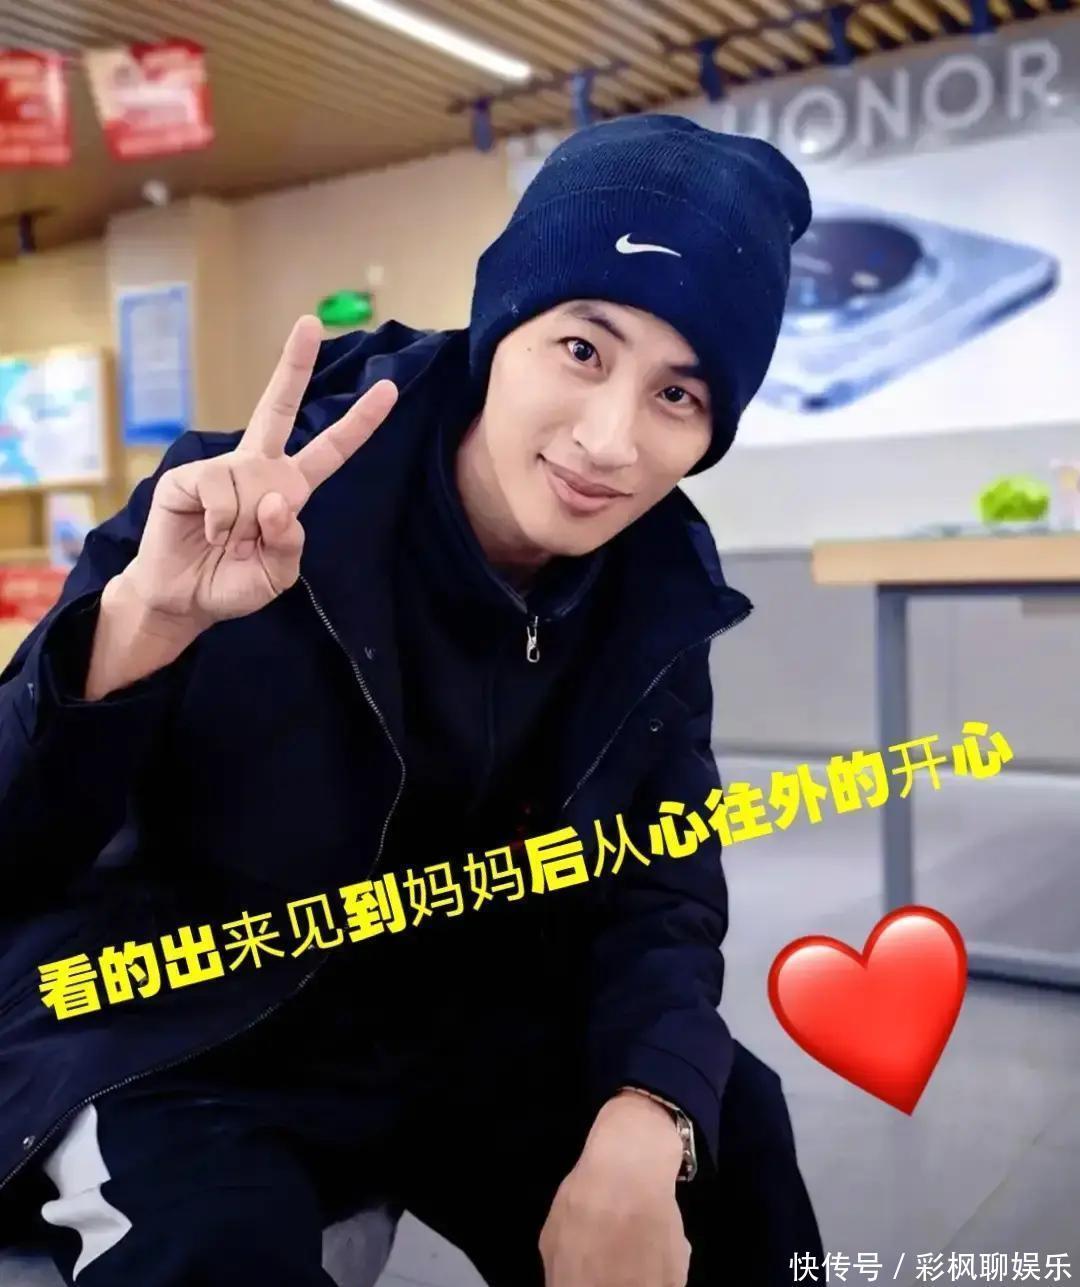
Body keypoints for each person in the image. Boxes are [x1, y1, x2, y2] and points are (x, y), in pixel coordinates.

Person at [0, 114, 823, 1286]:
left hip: (454, 1022)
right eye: (583, 349)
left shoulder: (650, 587)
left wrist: (651, 1113)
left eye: (679, 395)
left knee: (728, 1142)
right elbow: (18, 848)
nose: (610, 441)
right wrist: (147, 623)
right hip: (188, 1023)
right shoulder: (242, 506)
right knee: (212, 1250)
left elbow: (661, 887)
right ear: (501, 328)